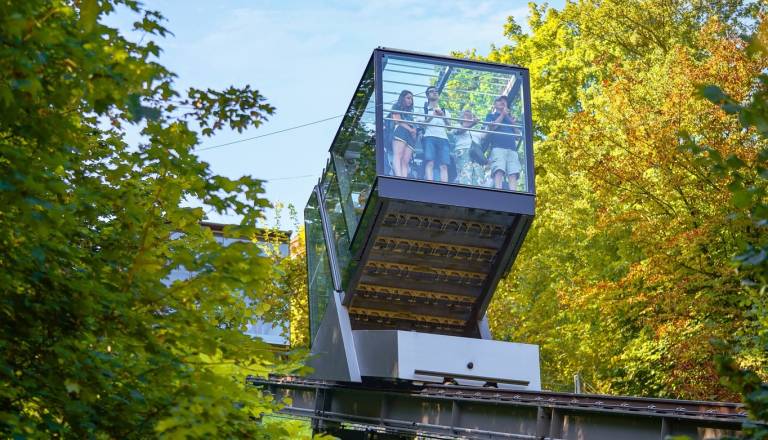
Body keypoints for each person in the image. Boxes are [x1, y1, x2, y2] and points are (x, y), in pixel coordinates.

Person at [484, 96, 522, 190]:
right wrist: (502, 115)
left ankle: (513, 193)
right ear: (495, 104)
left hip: (512, 149)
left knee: (513, 172)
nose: (503, 102)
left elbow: (518, 136)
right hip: (498, 148)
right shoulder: (491, 116)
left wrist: (513, 123)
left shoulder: (510, 119)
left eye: (504, 101)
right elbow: (491, 128)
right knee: (498, 169)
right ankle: (498, 190)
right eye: (499, 100)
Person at [421, 86, 452, 182]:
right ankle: (429, 183)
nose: (435, 93)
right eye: (431, 91)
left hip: (443, 138)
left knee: (444, 165)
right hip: (429, 137)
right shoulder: (424, 110)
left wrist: (443, 115)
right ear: (427, 95)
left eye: (436, 92)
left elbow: (450, 127)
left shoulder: (445, 111)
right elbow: (421, 125)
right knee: (430, 162)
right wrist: (432, 116)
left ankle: (444, 187)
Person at [453, 109, 489, 186]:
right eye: (466, 115)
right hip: (462, 150)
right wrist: (472, 123)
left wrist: (490, 127)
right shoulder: (457, 126)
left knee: (478, 172)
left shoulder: (475, 130)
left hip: (476, 153)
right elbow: (460, 131)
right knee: (465, 172)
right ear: (461, 118)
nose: (468, 116)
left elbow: (483, 136)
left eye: (470, 115)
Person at [389, 90, 418, 178]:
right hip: (400, 131)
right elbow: (397, 120)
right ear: (402, 98)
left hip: (410, 136)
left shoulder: (410, 114)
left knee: (406, 160)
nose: (410, 100)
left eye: (411, 99)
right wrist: (411, 129)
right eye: (408, 98)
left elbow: (414, 128)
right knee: (398, 155)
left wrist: (413, 134)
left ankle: (404, 178)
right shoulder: (396, 106)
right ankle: (398, 177)